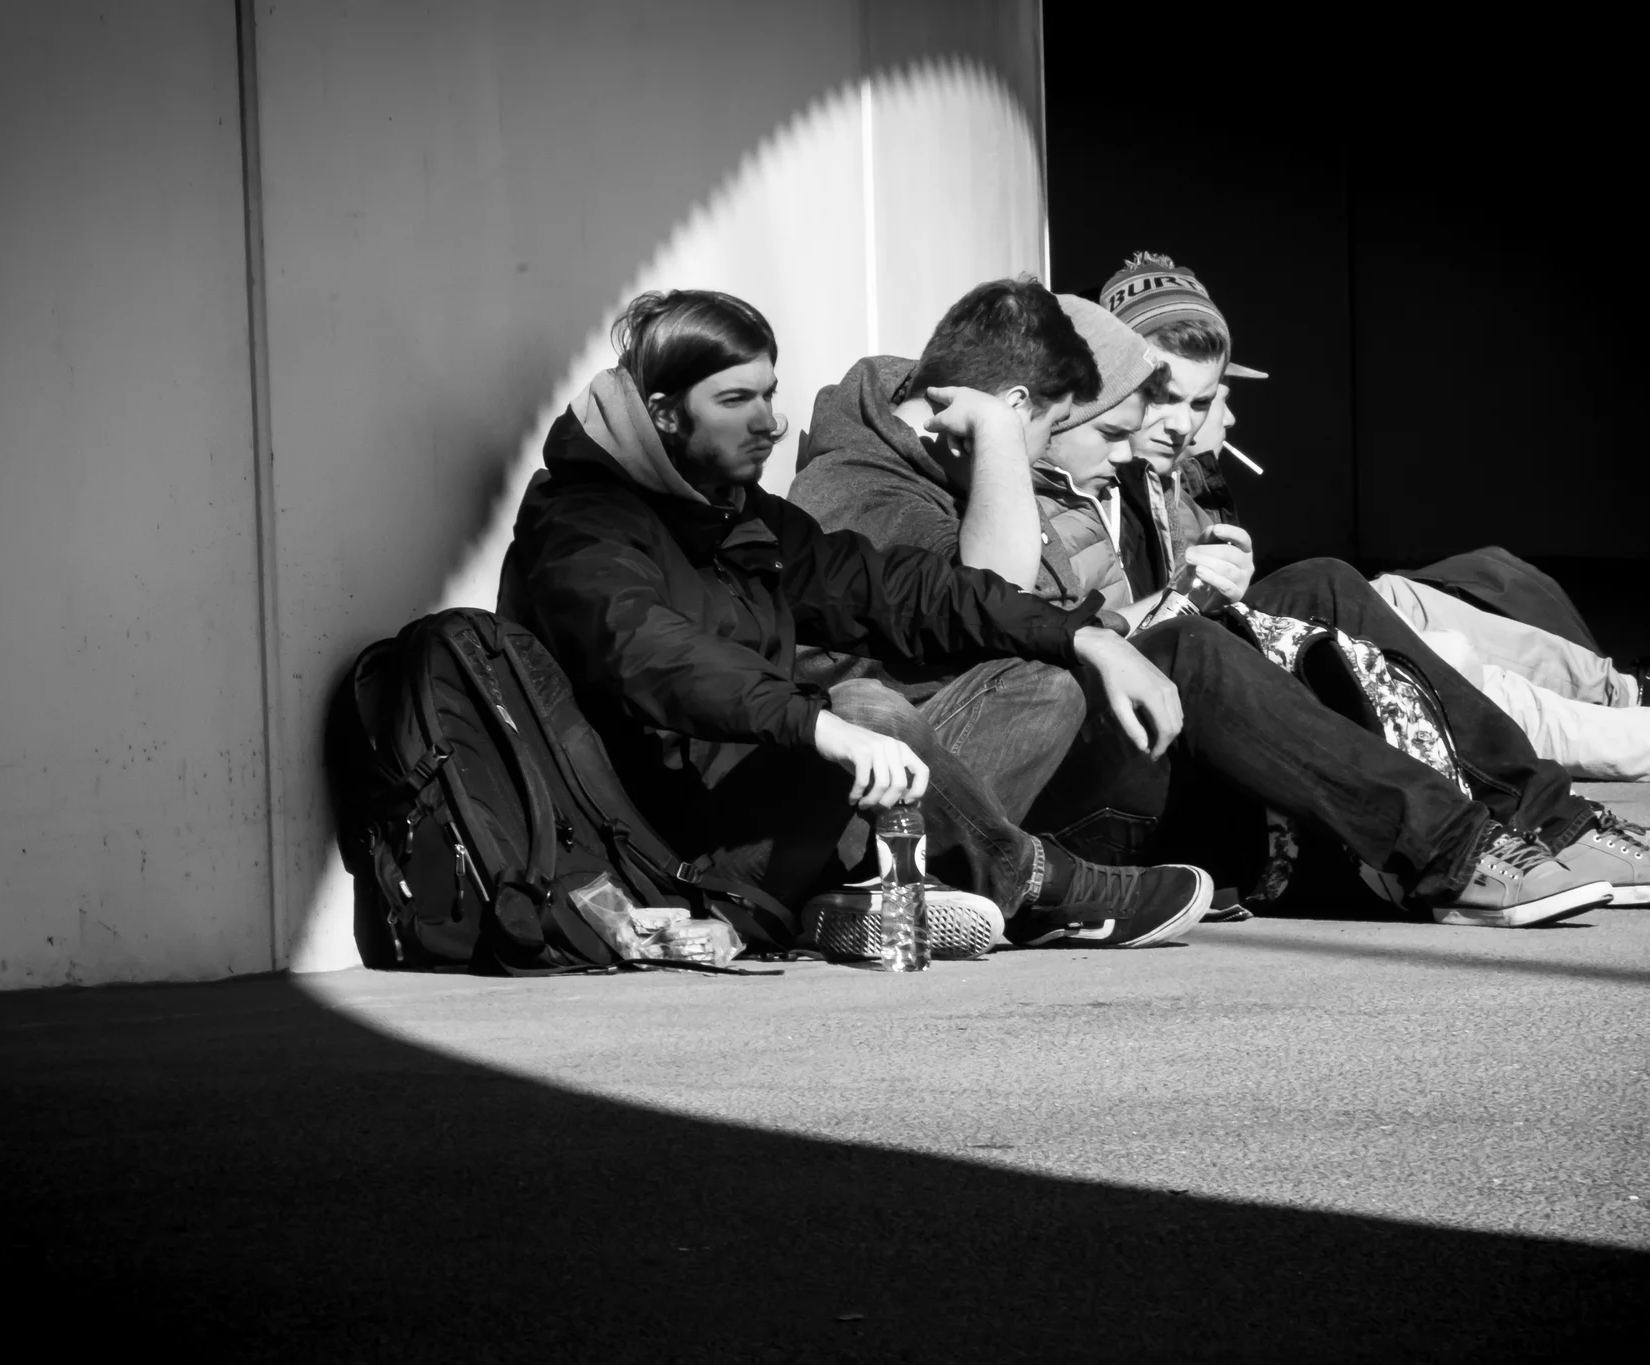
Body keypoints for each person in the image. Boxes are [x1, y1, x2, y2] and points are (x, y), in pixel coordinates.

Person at [790, 277, 1650, 924]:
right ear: (1014, 406)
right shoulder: (865, 491)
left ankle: (1544, 818)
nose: (1130, 447)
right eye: (1079, 428)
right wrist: (1009, 455)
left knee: (1318, 583)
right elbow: (991, 607)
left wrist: (1151, 604)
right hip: (972, 804)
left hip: (1062, 737)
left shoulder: (969, 460)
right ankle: (1453, 852)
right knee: (1187, 649)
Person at [497, 287, 1217, 951]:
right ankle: (1037, 885)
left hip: (779, 807)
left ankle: (874, 892)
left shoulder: (737, 514)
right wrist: (817, 725)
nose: (769, 422)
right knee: (868, 709)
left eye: (769, 393)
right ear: (663, 412)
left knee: (1039, 680)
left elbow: (901, 590)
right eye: (735, 400)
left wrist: (1083, 635)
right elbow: (650, 652)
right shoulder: (580, 523)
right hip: (669, 855)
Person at [1107, 252, 1650, 786]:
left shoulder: (1161, 476)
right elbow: (1094, 635)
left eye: (1203, 400)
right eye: (1169, 398)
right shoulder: (1086, 484)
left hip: (1227, 666)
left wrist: (1208, 558)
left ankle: (1638, 698)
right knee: (1446, 661)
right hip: (1205, 703)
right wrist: (1192, 587)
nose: (1196, 420)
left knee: (1401, 600)